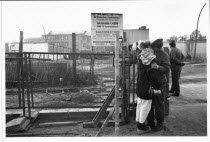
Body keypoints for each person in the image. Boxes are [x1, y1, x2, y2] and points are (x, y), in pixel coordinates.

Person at [146, 38, 170, 131]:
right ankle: (150, 121)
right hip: (151, 82)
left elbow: (167, 69)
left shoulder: (164, 55)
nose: (153, 49)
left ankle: (160, 123)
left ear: (158, 48)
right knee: (150, 103)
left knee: (159, 104)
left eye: (154, 48)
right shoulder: (152, 54)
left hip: (159, 83)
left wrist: (158, 67)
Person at [135, 41, 158, 133]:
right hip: (147, 85)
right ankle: (141, 127)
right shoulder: (150, 57)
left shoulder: (141, 56)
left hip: (140, 85)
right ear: (149, 47)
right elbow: (154, 70)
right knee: (146, 106)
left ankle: (139, 124)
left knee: (140, 104)